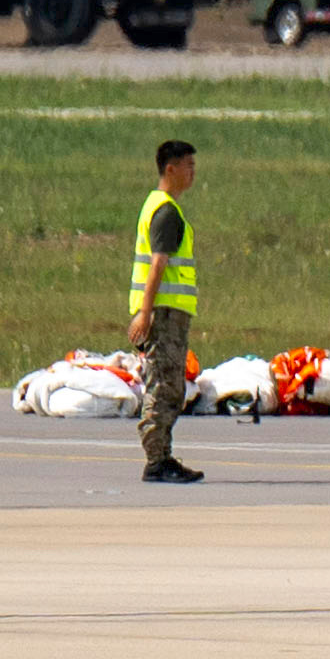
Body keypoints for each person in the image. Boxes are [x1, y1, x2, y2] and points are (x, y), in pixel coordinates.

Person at [124, 137, 204, 486]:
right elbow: (158, 265)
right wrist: (145, 313)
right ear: (170, 169)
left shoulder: (160, 206)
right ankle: (157, 459)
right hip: (163, 314)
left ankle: (162, 455)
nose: (192, 173)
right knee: (164, 386)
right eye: (188, 166)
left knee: (171, 385)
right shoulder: (166, 211)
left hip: (170, 313)